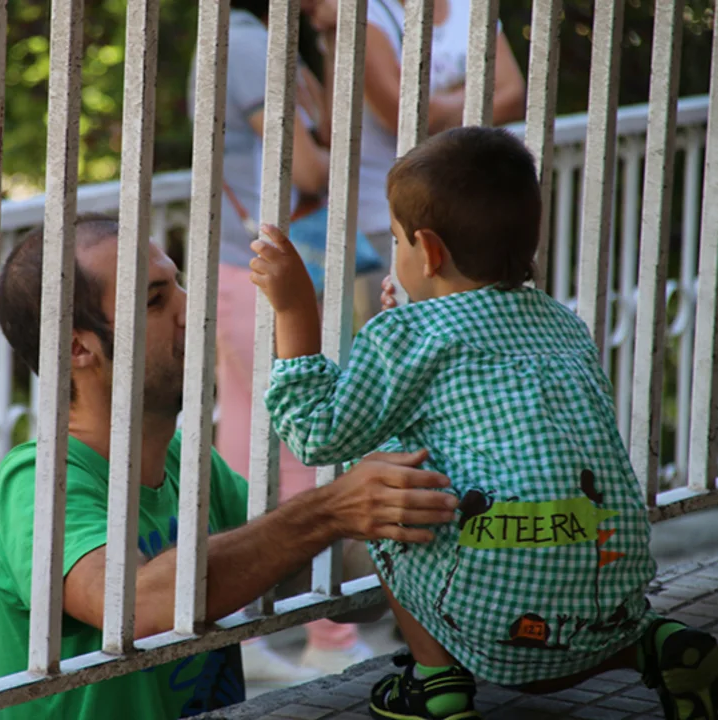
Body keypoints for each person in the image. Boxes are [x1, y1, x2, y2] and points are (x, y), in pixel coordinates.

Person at [249, 128, 718, 720]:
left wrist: (295, 311)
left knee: (384, 491)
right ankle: (653, 643)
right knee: (563, 631)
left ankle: (436, 681)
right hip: (609, 583)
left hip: (490, 604)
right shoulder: (560, 322)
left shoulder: (407, 335)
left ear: (428, 252)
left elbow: (318, 433)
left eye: (396, 240)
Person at [0, 214, 461, 719]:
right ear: (78, 347)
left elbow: (345, 584)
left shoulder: (191, 464)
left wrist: (426, 486)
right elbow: (133, 607)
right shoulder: (37, 480)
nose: (192, 308)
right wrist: (328, 510)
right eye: (155, 301)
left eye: (178, 284)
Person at [188, 0, 382, 680]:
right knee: (301, 447)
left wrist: (328, 41)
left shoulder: (266, 43)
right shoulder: (246, 46)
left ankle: (244, 632)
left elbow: (321, 128)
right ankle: (327, 633)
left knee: (245, 450)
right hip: (267, 272)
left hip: (254, 269)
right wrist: (338, 155)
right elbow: (307, 171)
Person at [324, 0, 528, 323]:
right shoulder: (363, 11)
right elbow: (406, 115)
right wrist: (474, 91)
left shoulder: (470, 6)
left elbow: (514, 95)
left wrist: (439, 106)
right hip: (389, 213)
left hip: (468, 205)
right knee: (403, 320)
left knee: (467, 322)